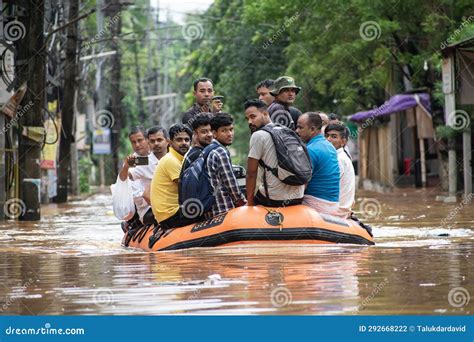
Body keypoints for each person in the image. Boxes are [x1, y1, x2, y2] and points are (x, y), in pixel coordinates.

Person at [244, 99, 305, 206]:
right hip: (298, 196)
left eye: (253, 116)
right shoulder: (287, 131)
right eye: (247, 118)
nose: (249, 122)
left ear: (265, 113)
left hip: (274, 198)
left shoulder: (258, 135)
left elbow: (251, 173)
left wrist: (250, 204)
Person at [150, 124, 200, 230]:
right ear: (170, 142)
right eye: (179, 140)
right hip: (170, 215)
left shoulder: (182, 159)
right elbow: (188, 190)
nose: (183, 143)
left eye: (187, 140)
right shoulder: (170, 160)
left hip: (172, 212)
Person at [296, 112, 340, 215]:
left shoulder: (310, 150)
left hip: (316, 205)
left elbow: (302, 186)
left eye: (300, 128)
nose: (296, 131)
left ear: (312, 129)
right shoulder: (330, 146)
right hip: (333, 204)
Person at [205, 113, 246, 216]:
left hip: (209, 210)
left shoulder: (207, 149)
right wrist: (245, 203)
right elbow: (232, 186)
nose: (229, 134)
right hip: (222, 209)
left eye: (231, 129)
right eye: (224, 130)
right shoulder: (220, 152)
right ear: (214, 133)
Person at [118, 127, 158, 229]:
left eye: (140, 140)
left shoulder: (158, 154)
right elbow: (138, 197)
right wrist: (126, 166)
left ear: (147, 140)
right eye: (133, 142)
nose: (137, 145)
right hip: (147, 208)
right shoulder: (133, 162)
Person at [325, 122, 355, 218]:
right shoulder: (340, 156)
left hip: (337, 211)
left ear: (343, 142)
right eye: (326, 136)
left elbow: (327, 189)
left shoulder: (338, 159)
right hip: (342, 209)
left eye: (333, 137)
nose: (328, 139)